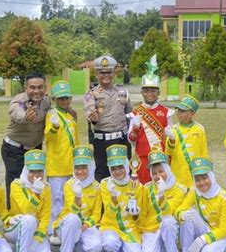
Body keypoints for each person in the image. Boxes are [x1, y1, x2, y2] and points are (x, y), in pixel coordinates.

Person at [176, 157, 226, 252]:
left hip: (225, 234)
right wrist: (181, 215)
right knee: (189, 215)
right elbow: (180, 209)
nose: (202, 183)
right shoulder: (194, 192)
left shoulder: (223, 197)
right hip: (208, 228)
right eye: (197, 180)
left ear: (211, 177)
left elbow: (225, 229)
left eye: (205, 178)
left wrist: (203, 239)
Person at [1, 72, 51, 209]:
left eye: (40, 87)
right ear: (26, 88)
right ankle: (13, 218)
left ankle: (34, 212)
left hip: (35, 148)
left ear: (45, 87)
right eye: (32, 87)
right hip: (14, 149)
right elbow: (16, 112)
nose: (36, 91)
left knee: (35, 182)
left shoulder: (46, 101)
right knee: (16, 183)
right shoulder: (19, 101)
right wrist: (26, 117)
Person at [53, 145, 102, 252]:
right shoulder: (69, 185)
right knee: (73, 219)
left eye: (84, 167)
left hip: (85, 225)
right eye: (77, 167)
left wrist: (84, 227)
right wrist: (77, 197)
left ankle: (80, 244)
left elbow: (96, 214)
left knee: (96, 247)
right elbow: (73, 210)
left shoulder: (97, 186)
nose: (80, 171)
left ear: (90, 167)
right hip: (68, 223)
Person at [4, 150, 54, 252]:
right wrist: (36, 193)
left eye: (39, 171)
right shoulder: (16, 185)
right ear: (26, 170)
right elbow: (27, 209)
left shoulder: (46, 187)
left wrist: (37, 238)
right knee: (29, 219)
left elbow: (46, 215)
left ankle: (24, 248)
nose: (36, 175)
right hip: (16, 227)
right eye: (32, 171)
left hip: (35, 230)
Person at [83, 55, 132, 182]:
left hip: (121, 140)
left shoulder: (123, 92)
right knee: (103, 176)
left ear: (114, 73)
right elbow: (89, 113)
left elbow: (129, 115)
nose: (106, 75)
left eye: (109, 72)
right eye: (102, 72)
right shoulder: (91, 94)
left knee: (125, 173)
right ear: (96, 74)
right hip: (102, 142)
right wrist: (93, 118)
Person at [139, 149, 186, 252]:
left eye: (161, 171)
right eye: (154, 173)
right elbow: (143, 212)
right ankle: (162, 246)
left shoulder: (179, 189)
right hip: (151, 228)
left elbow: (168, 212)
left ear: (168, 170)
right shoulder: (147, 188)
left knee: (168, 221)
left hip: (170, 227)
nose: (158, 176)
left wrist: (161, 196)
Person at [127, 55, 173, 184]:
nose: (150, 94)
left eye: (153, 91)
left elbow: (171, 139)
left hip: (161, 159)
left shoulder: (166, 112)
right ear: (142, 92)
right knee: (143, 191)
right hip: (143, 159)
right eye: (146, 91)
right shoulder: (136, 112)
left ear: (158, 92)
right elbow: (130, 139)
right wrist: (135, 129)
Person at [99, 144, 145, 252]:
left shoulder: (137, 185)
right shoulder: (105, 184)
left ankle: (125, 249)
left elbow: (139, 216)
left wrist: (136, 213)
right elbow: (109, 211)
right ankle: (114, 251)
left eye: (121, 167)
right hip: (111, 226)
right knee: (109, 243)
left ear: (127, 166)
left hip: (130, 228)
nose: (117, 171)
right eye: (113, 168)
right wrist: (113, 197)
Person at [44, 81, 79, 245]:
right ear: (54, 99)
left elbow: (76, 140)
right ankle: (54, 230)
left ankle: (67, 226)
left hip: (71, 164)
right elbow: (48, 137)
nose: (64, 101)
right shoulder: (52, 115)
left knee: (69, 197)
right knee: (56, 198)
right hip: (56, 164)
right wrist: (54, 128)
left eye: (67, 98)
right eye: (61, 99)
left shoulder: (71, 116)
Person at [165, 94, 209, 188]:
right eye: (179, 110)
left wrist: (206, 170)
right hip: (178, 173)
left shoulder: (200, 129)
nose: (179, 113)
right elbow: (169, 152)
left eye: (183, 111)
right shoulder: (173, 129)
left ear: (192, 113)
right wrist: (171, 140)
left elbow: (204, 152)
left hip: (196, 173)